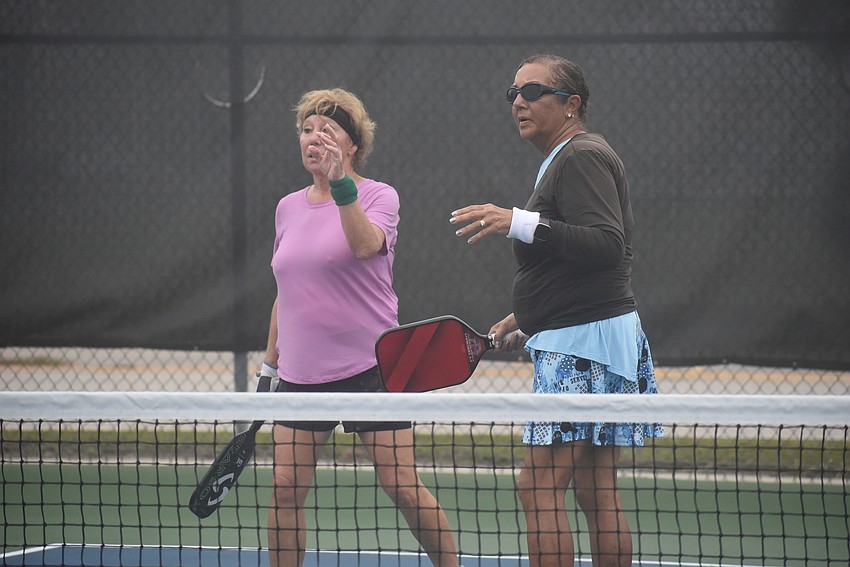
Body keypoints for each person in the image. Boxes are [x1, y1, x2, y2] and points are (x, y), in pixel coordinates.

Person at [449, 54, 662, 567]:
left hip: (583, 347)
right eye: (513, 93)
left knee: (537, 488)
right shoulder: (566, 157)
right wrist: (527, 315)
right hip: (595, 335)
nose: (518, 101)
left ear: (572, 104)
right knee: (595, 490)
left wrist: (518, 222)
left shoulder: (581, 155)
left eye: (533, 91)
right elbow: (580, 263)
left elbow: (607, 245)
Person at [261, 88, 460, 567]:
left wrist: (340, 186)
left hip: (373, 368)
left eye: (327, 131)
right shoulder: (287, 207)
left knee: (402, 487)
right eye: (307, 130)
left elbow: (366, 245)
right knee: (285, 490)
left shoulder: (378, 195)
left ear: (352, 145)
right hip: (301, 376)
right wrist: (271, 363)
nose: (314, 138)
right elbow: (287, 288)